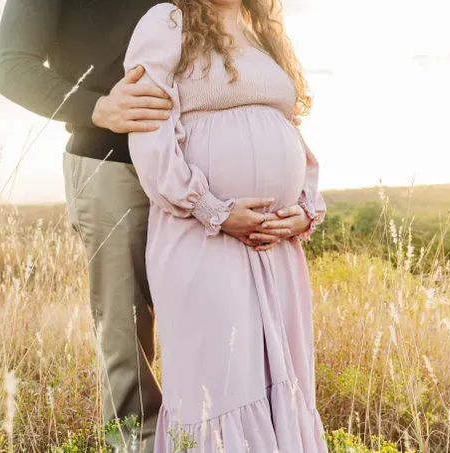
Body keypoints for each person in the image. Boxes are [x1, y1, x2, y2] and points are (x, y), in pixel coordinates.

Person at [0, 1, 314, 450]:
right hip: (111, 163)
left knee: (220, 333)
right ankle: (135, 444)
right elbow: (11, 67)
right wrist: (97, 107)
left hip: (201, 176)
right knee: (126, 328)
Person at [124, 1, 328, 451]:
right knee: (217, 384)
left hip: (276, 247)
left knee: (282, 377)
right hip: (200, 233)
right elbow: (148, 132)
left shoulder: (263, 29)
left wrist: (305, 209)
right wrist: (212, 208)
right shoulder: (167, 22)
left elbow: (289, 131)